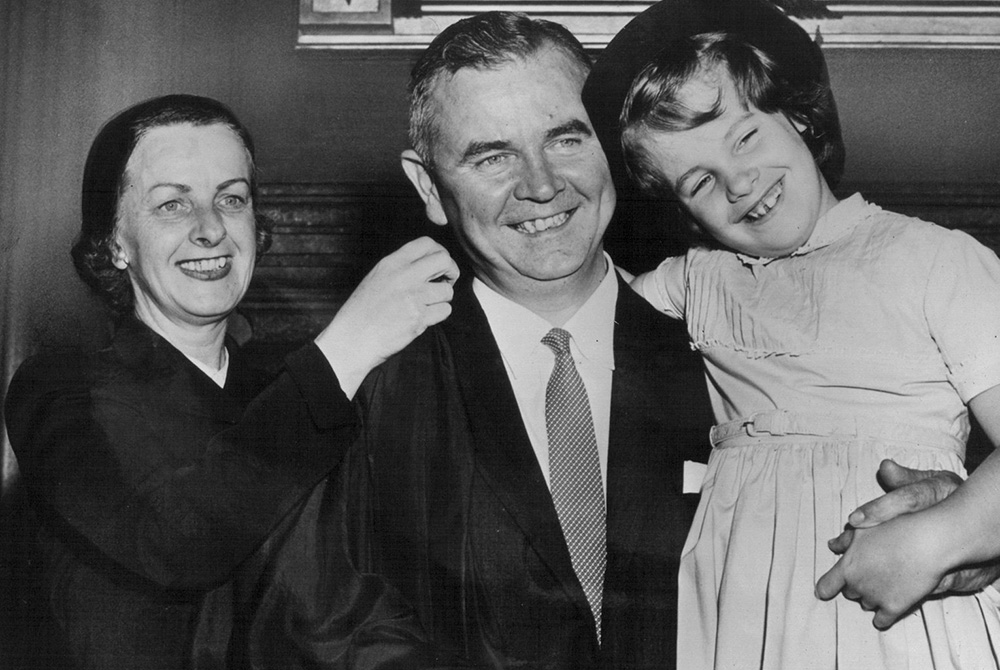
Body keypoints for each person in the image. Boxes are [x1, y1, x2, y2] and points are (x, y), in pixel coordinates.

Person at [259, 11, 713, 670]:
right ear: (429, 188)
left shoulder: (713, 351)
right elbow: (323, 624)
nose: (540, 185)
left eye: (565, 139)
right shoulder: (373, 385)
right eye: (492, 155)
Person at [2, 93, 459, 669]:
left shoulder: (282, 390)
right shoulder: (63, 386)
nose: (211, 229)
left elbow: (339, 614)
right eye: (172, 205)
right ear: (115, 243)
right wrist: (345, 351)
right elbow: (173, 539)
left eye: (231, 199)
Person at [613, 24, 1000, 670]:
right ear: (683, 213)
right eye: (700, 183)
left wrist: (936, 542)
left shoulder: (933, 259)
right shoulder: (693, 283)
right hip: (739, 622)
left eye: (745, 137)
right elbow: (565, 306)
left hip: (901, 610)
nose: (738, 184)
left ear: (796, 115)